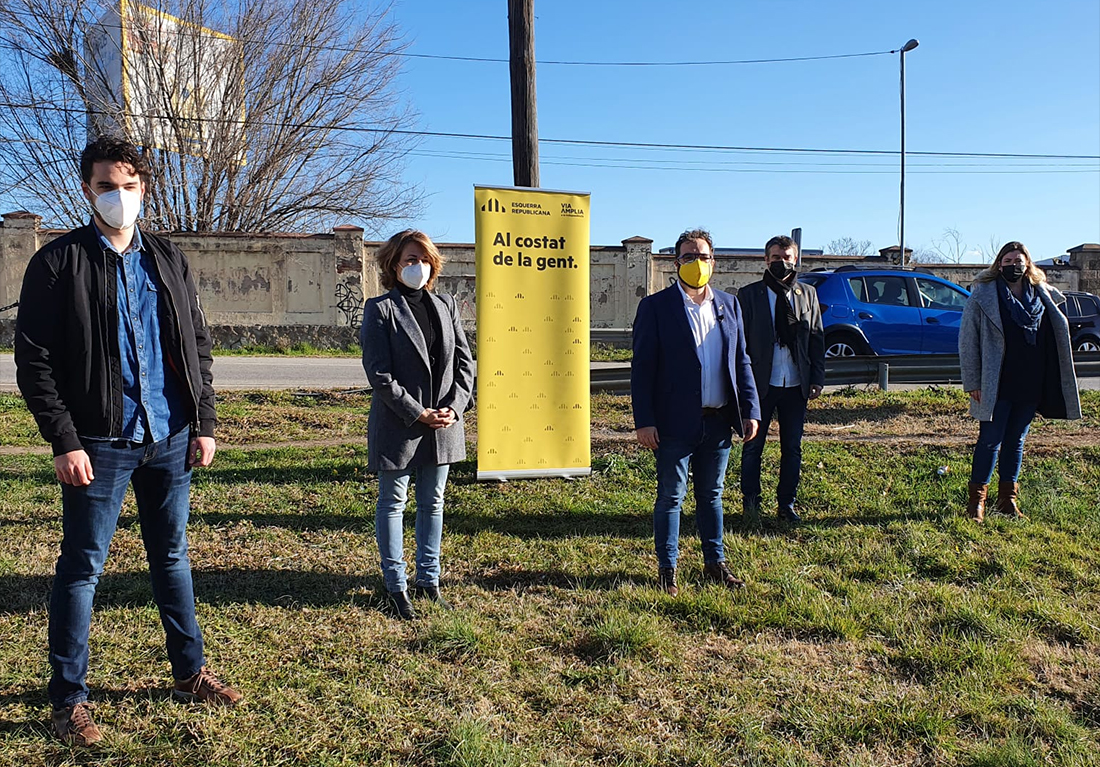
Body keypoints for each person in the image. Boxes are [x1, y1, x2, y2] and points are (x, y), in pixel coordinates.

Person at [14, 137, 241, 747]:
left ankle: (189, 672)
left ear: (145, 188)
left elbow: (196, 345)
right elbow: (33, 362)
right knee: (82, 568)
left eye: (130, 184)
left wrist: (206, 423)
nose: (120, 196)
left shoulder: (166, 259)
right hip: (97, 442)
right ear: (88, 190)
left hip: (168, 437)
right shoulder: (58, 263)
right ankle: (69, 700)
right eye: (107, 185)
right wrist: (64, 440)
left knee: (172, 558)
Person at [631, 228, 761, 596]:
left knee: (712, 494)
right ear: (676, 263)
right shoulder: (656, 307)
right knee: (672, 496)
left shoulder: (729, 305)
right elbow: (642, 368)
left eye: (702, 256)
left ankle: (714, 563)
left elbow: (741, 360)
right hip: (673, 423)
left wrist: (750, 409)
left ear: (713, 262)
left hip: (718, 420)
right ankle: (667, 569)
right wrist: (645, 421)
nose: (696, 263)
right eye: (688, 256)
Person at [360, 230, 474, 619]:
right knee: (393, 503)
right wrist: (417, 412)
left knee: (434, 502)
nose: (418, 267)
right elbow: (379, 374)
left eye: (424, 260)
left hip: (443, 425)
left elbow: (465, 363)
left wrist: (455, 409)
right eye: (410, 260)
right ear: (394, 264)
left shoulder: (445, 305)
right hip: (399, 425)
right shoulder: (380, 309)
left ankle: (429, 580)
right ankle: (396, 586)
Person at [959, 241, 1081, 522]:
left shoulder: (1043, 294)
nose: (1014, 264)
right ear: (998, 264)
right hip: (996, 380)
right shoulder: (983, 295)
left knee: (1016, 441)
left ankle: (1007, 501)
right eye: (1008, 259)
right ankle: (977, 503)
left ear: (1028, 263)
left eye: (1019, 259)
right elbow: (967, 343)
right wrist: (972, 381)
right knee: (990, 440)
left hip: (1031, 379)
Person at [738, 235, 825, 525]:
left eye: (787, 257)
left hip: (795, 383)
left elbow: (816, 337)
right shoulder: (749, 295)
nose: (782, 262)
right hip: (760, 384)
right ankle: (750, 504)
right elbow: (740, 344)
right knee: (753, 447)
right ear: (766, 260)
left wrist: (817, 377)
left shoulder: (807, 294)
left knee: (792, 448)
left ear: (796, 259)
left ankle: (786, 504)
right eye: (776, 257)